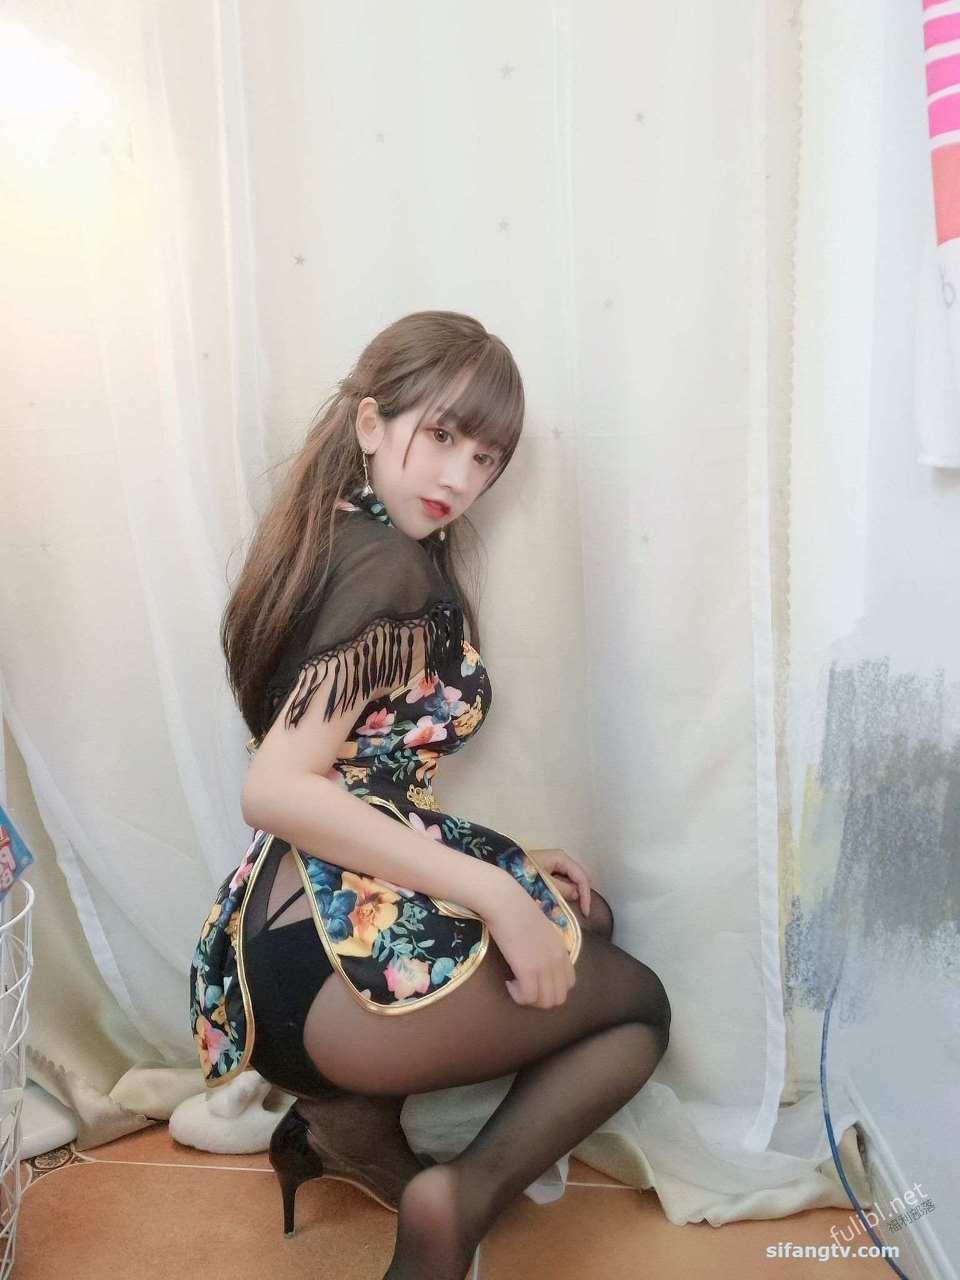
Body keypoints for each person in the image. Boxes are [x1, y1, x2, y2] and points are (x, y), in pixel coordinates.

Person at [189, 310, 671, 1280]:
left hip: (270, 946)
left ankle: (342, 1125)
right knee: (638, 1008)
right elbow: (276, 787)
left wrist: (508, 863)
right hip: (325, 979)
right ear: (371, 423)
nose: (460, 475)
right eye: (441, 434)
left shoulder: (332, 533)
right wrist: (495, 891)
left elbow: (363, 764)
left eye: (485, 457)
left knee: (584, 915)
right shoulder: (390, 571)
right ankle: (457, 1200)